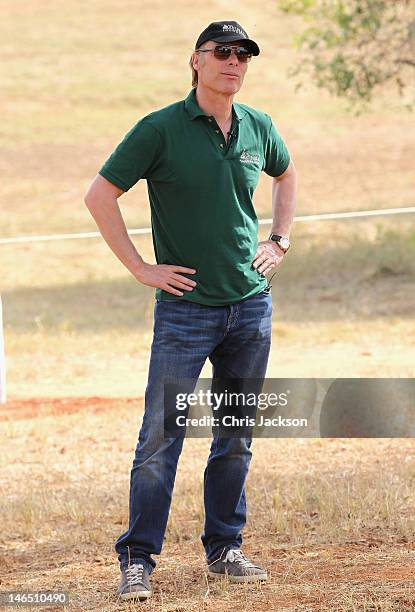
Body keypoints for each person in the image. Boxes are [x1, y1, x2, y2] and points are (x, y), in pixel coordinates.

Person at [84, 20, 297, 601]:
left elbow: (286, 173)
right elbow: (100, 196)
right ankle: (138, 560)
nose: (233, 63)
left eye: (242, 55)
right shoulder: (159, 129)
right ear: (195, 62)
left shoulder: (259, 126)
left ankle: (225, 548)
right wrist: (142, 268)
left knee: (235, 435)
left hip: (250, 307)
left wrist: (278, 240)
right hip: (185, 312)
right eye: (221, 53)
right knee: (161, 437)